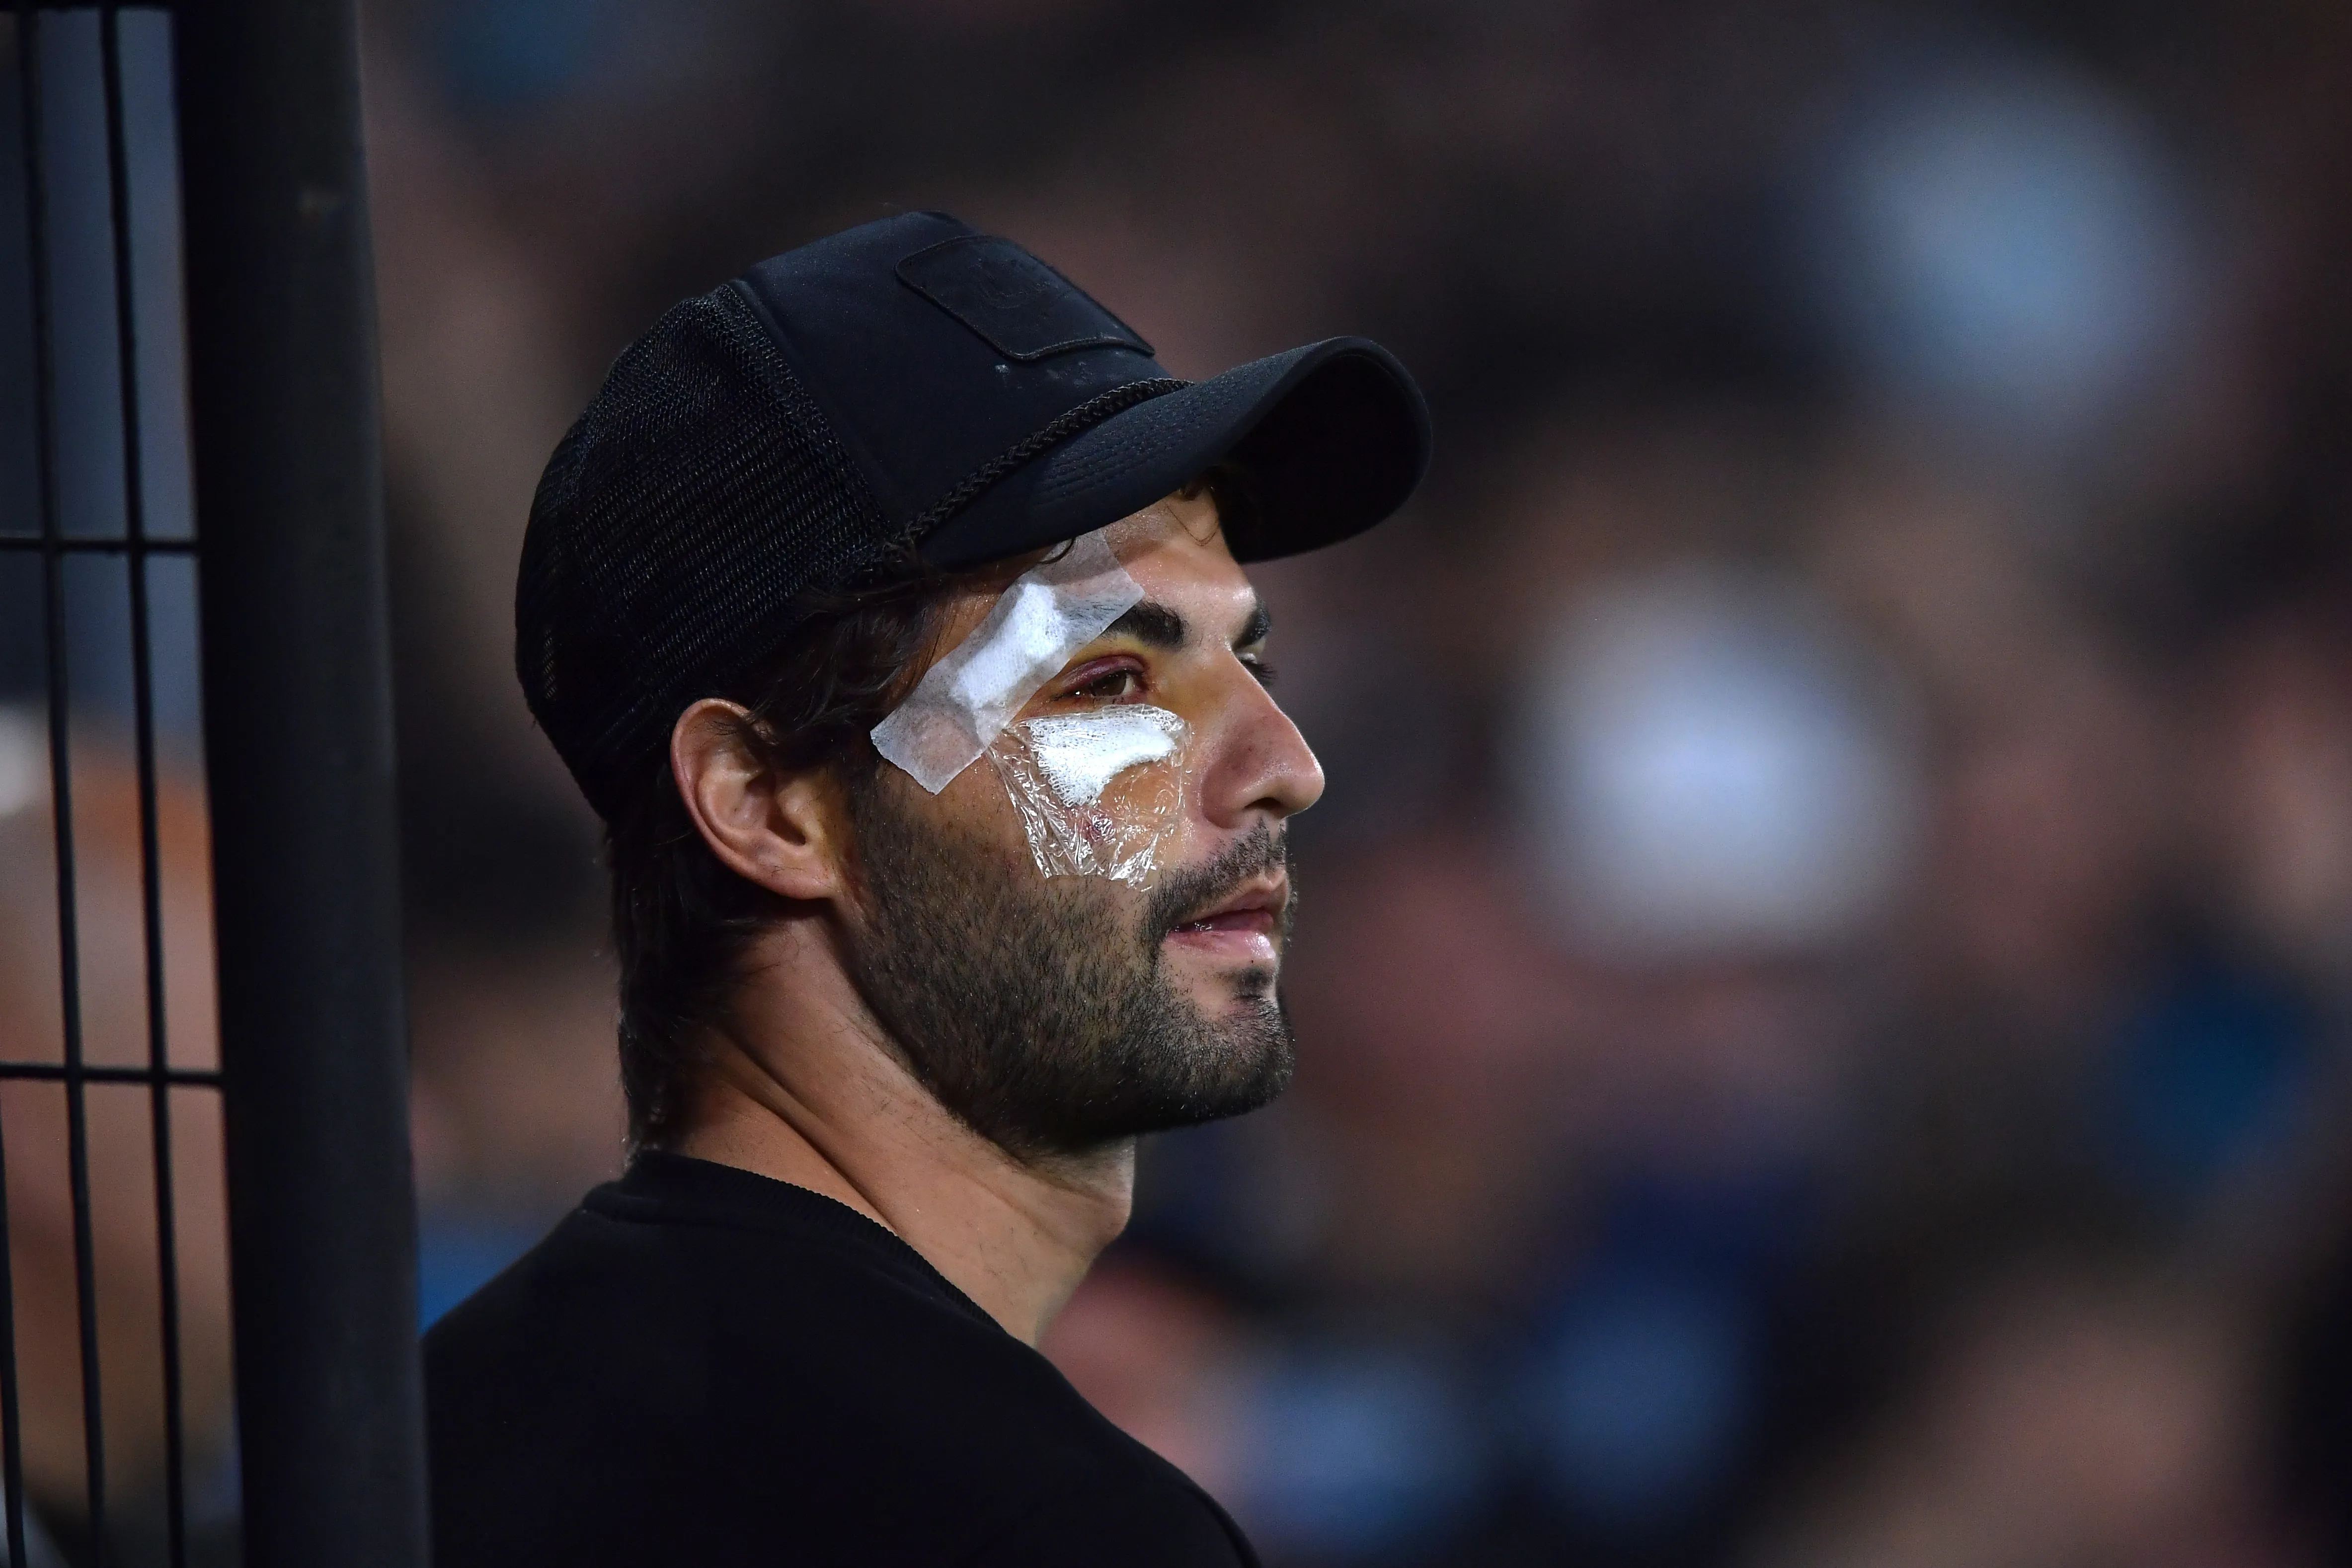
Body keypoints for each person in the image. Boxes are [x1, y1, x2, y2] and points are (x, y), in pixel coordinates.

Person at [422, 210, 1430, 1567]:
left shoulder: (409, 1447)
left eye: (1249, 660)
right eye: (1109, 684)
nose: (1284, 766)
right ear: (765, 804)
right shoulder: (1039, 1525)